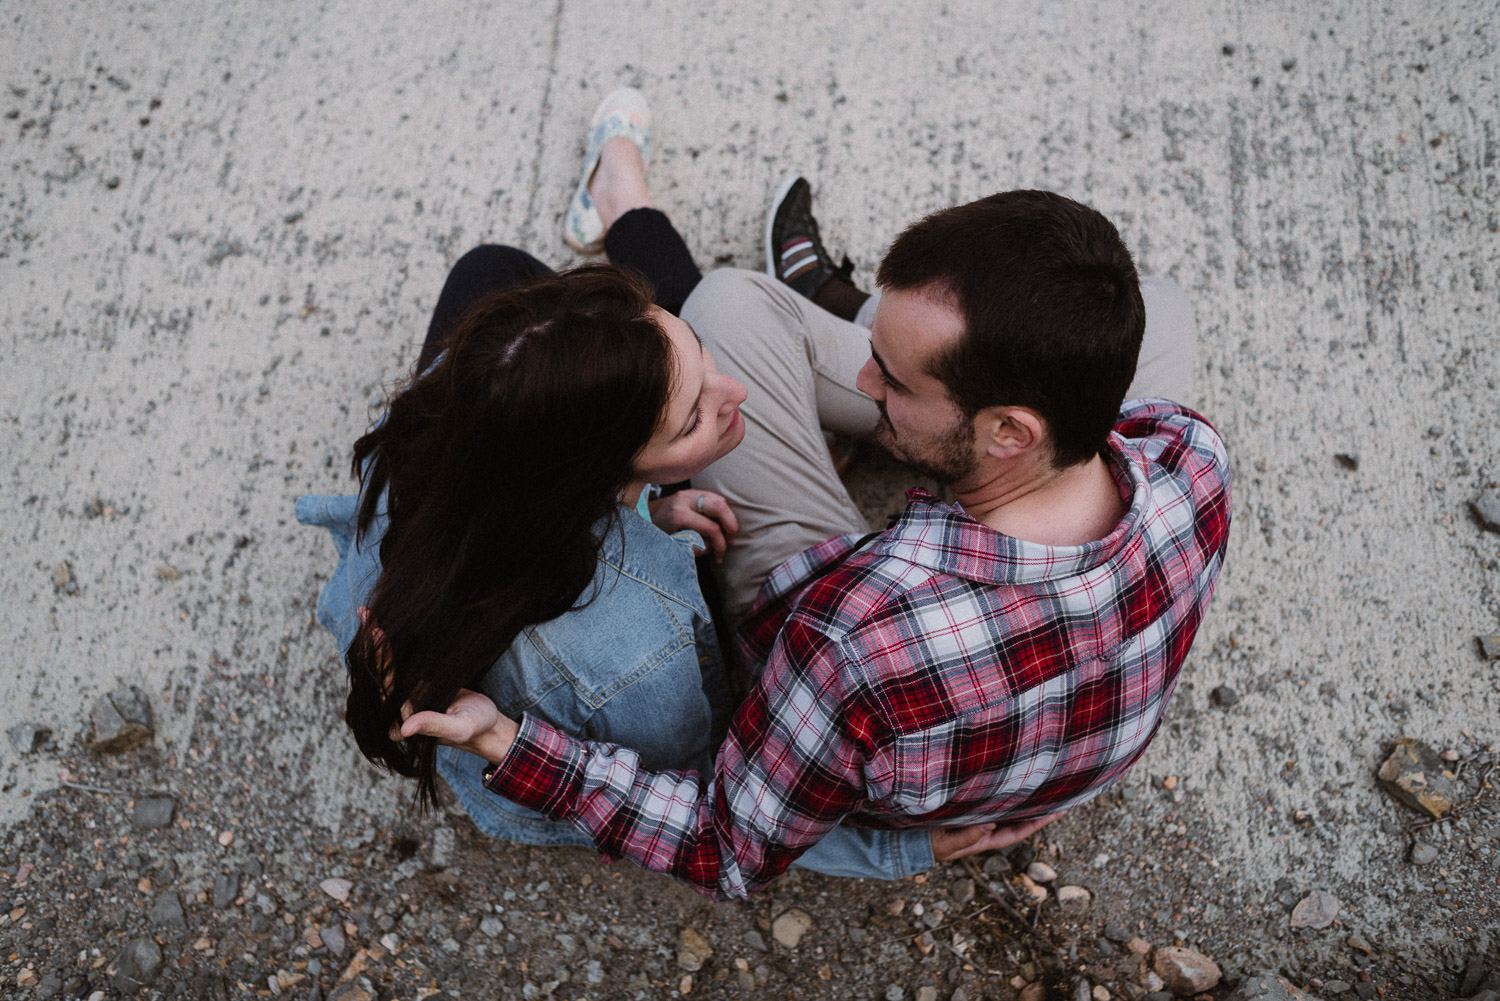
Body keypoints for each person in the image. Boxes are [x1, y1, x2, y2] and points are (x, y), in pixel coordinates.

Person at [400, 176, 1233, 899]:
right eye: (876, 356)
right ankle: (894, 339)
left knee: (726, 303)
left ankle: (880, 340)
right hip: (1027, 762)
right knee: (1156, 303)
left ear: (1009, 432)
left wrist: (505, 741)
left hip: (887, 671)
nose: (866, 383)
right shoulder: (1192, 453)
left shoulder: (847, 642)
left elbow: (726, 842)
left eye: (892, 379)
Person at [296, 89, 949, 880]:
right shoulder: (637, 643)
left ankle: (624, 215)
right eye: (696, 421)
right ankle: (625, 202)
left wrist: (650, 500)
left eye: (705, 361)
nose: (739, 392)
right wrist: (894, 844)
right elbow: (706, 801)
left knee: (492, 270)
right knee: (663, 314)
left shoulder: (425, 438)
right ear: (593, 482)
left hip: (567, 509)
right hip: (564, 741)